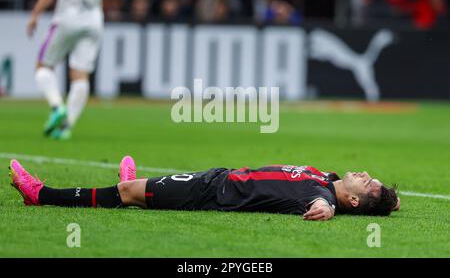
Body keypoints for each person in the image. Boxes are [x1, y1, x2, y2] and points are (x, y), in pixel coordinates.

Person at [8, 156, 400, 221]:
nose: (365, 175)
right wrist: (389, 200)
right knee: (136, 188)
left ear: (350, 200)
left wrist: (328, 209)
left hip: (211, 194)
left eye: (367, 184)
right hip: (219, 177)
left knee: (127, 194)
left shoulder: (325, 196)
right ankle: (132, 183)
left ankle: (40, 195)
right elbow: (328, 187)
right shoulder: (323, 177)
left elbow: (320, 204)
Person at [27, 0, 119, 140]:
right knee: (80, 75)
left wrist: (36, 12)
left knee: (43, 66)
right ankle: (67, 126)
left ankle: (57, 106)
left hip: (68, 16)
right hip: (94, 19)